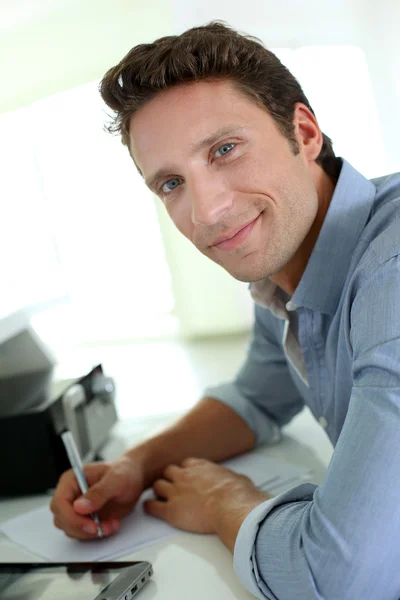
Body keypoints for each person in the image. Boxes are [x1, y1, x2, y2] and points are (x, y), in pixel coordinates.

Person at [50, 21, 400, 600]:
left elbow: (341, 579)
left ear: (305, 132)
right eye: (170, 184)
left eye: (225, 150)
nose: (207, 212)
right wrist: (136, 466)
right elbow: (257, 396)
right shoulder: (285, 265)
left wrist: (223, 502)